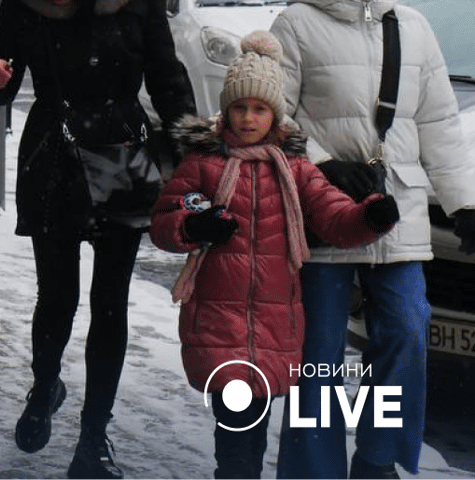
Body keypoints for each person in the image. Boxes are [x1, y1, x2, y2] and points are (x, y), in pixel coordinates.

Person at [0, 0, 196, 480]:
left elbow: (168, 78)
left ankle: (94, 440)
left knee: (110, 303)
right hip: (53, 152)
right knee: (57, 295)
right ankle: (44, 386)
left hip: (121, 152)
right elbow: (1, 66)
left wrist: (194, 151)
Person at [270, 0, 475, 480]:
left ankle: (378, 461)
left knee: (409, 329)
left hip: (397, 211)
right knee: (321, 359)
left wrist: (463, 204)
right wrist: (322, 166)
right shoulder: (295, 26)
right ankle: (315, 471)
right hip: (326, 215)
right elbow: (272, 121)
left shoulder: (412, 26)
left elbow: (438, 123)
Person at [151, 30, 399, 480]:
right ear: (225, 110)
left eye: (259, 108)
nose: (248, 118)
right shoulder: (203, 165)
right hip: (218, 320)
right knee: (236, 428)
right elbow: (165, 223)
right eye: (240, 107)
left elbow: (333, 215)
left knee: (256, 424)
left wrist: (371, 217)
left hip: (273, 324)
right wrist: (194, 225)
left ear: (275, 115)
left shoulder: (295, 169)